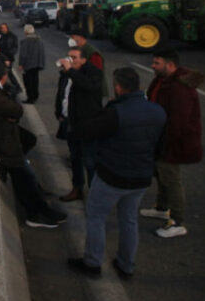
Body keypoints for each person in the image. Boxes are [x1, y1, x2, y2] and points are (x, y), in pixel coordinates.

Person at [67, 67, 166, 279]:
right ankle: (126, 264)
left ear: (118, 87)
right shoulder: (157, 111)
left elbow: (87, 132)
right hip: (141, 177)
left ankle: (92, 262)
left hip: (112, 174)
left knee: (96, 217)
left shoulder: (116, 112)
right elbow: (160, 145)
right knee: (129, 220)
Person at [0, 57, 67, 228]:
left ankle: (41, 208)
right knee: (25, 177)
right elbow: (16, 110)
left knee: (26, 164)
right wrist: (11, 115)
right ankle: (35, 214)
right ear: (2, 76)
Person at [141, 49, 204, 238]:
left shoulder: (179, 88)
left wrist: (166, 143)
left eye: (157, 63)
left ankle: (177, 221)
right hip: (161, 138)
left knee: (171, 179)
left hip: (171, 142)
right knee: (162, 175)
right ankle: (162, 208)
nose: (153, 66)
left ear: (170, 65)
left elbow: (178, 121)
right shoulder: (163, 81)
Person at [57, 46, 103, 201]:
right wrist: (60, 112)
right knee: (75, 158)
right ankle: (77, 188)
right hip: (71, 122)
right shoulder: (67, 74)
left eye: (75, 57)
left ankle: (95, 195)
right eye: (69, 57)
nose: (71, 60)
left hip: (87, 124)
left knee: (90, 161)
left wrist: (71, 71)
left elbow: (89, 86)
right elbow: (63, 94)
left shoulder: (92, 72)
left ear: (84, 59)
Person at [70, 28, 108, 98]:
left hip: (93, 92)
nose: (71, 40)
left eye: (73, 37)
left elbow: (97, 74)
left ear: (80, 37)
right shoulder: (79, 49)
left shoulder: (93, 53)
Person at [18, 24, 45, 104]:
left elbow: (23, 54)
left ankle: (30, 98)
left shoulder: (25, 41)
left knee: (28, 82)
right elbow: (42, 53)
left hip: (28, 65)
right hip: (37, 64)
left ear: (26, 32)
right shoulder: (39, 40)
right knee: (35, 80)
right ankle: (35, 95)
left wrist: (21, 64)